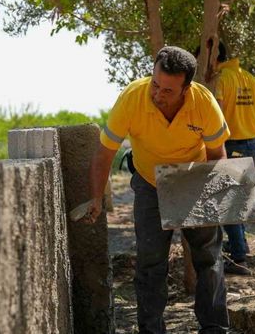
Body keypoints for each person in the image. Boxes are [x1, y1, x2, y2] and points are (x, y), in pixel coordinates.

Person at [85, 46, 231, 334]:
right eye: (155, 84)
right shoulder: (132, 98)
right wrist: (96, 198)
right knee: (151, 262)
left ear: (186, 88)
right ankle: (151, 329)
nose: (158, 94)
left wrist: (215, 198)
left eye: (167, 90)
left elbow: (217, 154)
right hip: (150, 182)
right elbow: (104, 154)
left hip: (193, 179)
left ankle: (214, 327)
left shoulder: (203, 102)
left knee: (209, 257)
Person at [214, 42, 255, 275]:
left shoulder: (221, 79)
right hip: (252, 144)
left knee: (228, 201)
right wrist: (246, 114)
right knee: (239, 198)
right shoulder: (250, 78)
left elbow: (215, 113)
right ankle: (240, 244)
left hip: (231, 144)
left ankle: (238, 254)